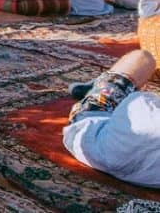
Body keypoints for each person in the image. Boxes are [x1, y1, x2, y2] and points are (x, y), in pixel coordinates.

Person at [63, 50, 160, 188]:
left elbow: (134, 106)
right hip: (137, 169)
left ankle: (100, 86)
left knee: (142, 58)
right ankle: (103, 86)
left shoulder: (144, 106)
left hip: (91, 134)